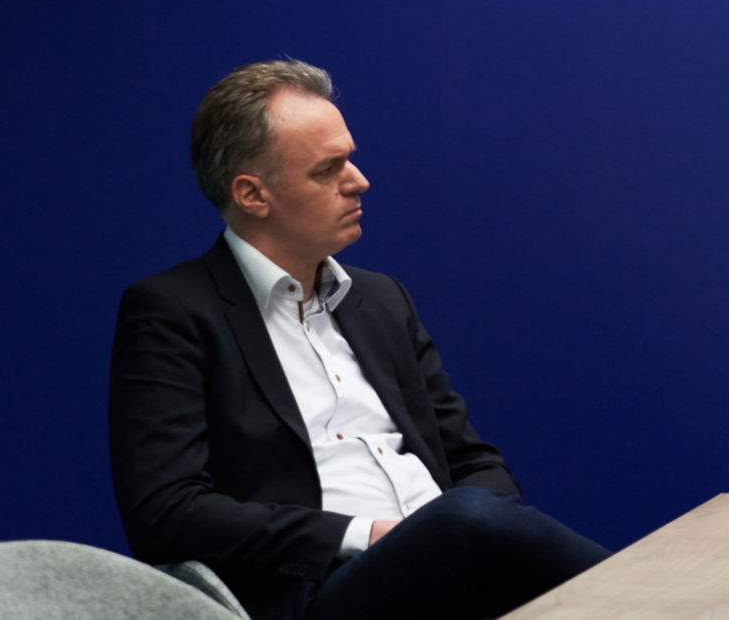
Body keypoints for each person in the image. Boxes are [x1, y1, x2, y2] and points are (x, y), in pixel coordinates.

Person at [109, 61, 609, 620]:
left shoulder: (381, 300)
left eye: (349, 157)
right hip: (319, 589)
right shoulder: (174, 311)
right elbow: (167, 515)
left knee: (471, 515)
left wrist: (465, 533)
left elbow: (474, 462)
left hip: (453, 562)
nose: (359, 180)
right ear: (253, 195)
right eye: (328, 169)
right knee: (464, 519)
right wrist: (368, 535)